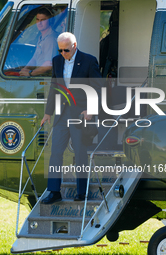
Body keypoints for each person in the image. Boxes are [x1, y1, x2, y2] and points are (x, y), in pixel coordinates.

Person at [40, 32, 102, 204]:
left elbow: (98, 88)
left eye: (66, 50)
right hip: (61, 114)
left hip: (80, 114)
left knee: (80, 153)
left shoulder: (89, 60)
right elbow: (54, 87)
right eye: (60, 50)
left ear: (74, 46)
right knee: (56, 153)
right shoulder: (57, 61)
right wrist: (48, 112)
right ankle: (54, 191)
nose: (63, 54)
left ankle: (82, 192)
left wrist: (91, 109)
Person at [19, 8, 58, 77]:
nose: (39, 23)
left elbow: (49, 65)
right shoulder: (42, 37)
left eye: (43, 20)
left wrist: (30, 73)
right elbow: (34, 58)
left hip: (45, 79)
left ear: (50, 21)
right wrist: (25, 69)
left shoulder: (50, 39)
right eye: (37, 19)